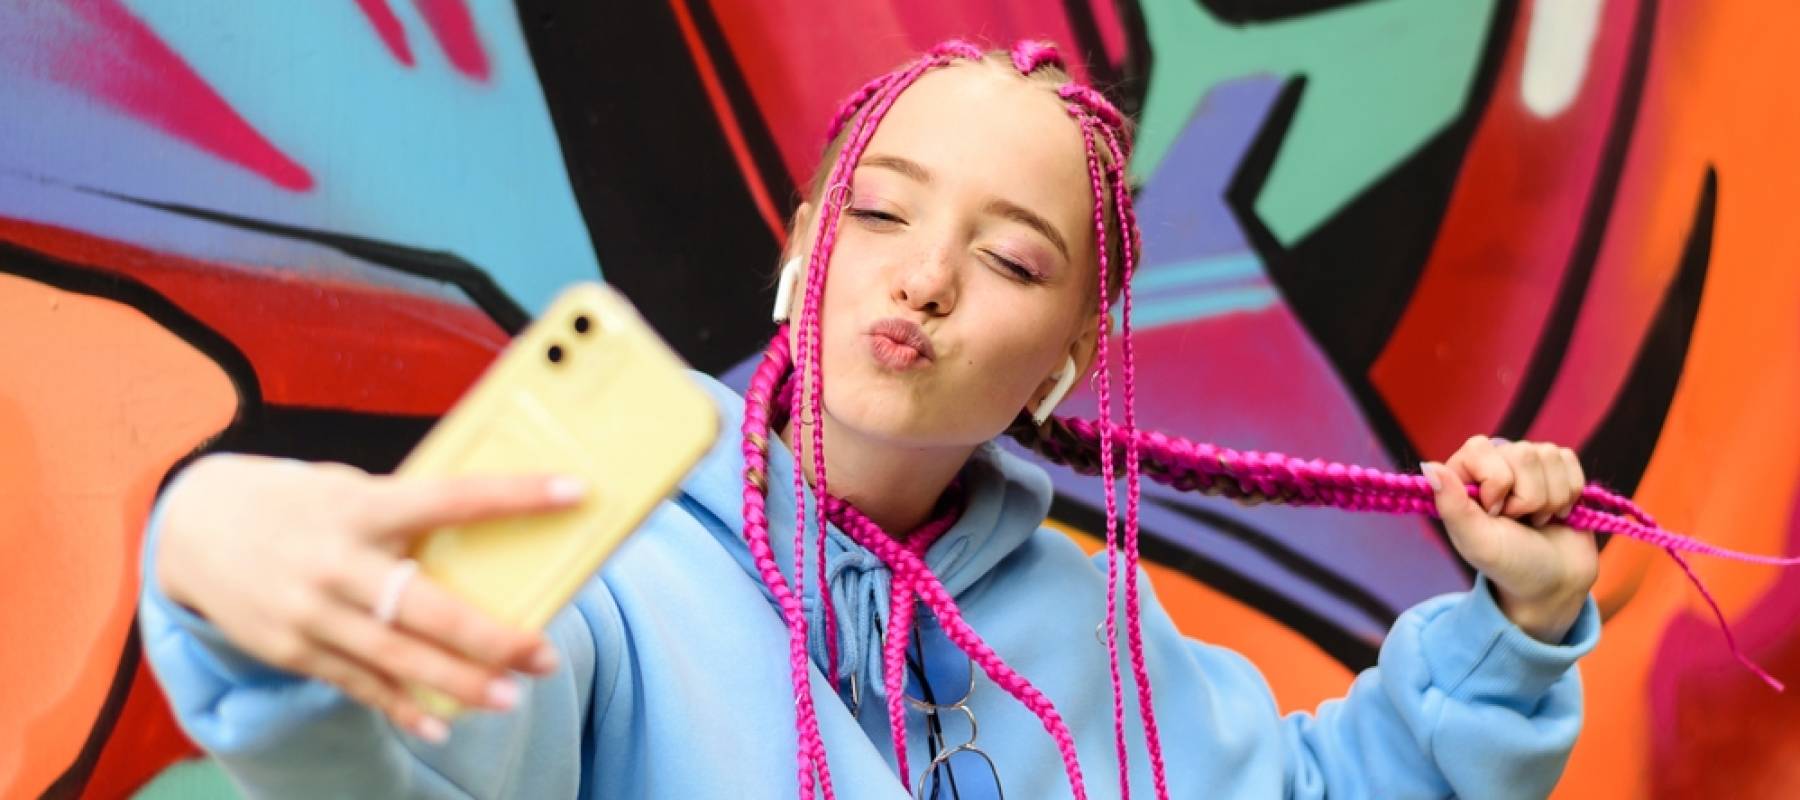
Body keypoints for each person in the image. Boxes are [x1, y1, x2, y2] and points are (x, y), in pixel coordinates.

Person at [141, 40, 1600, 799]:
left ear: (1065, 366)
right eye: (882, 207)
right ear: (798, 255)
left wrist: (1515, 636)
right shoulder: (605, 565)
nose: (925, 275)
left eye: (1013, 258)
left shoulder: (1106, 640)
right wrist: (213, 563)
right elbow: (413, 761)